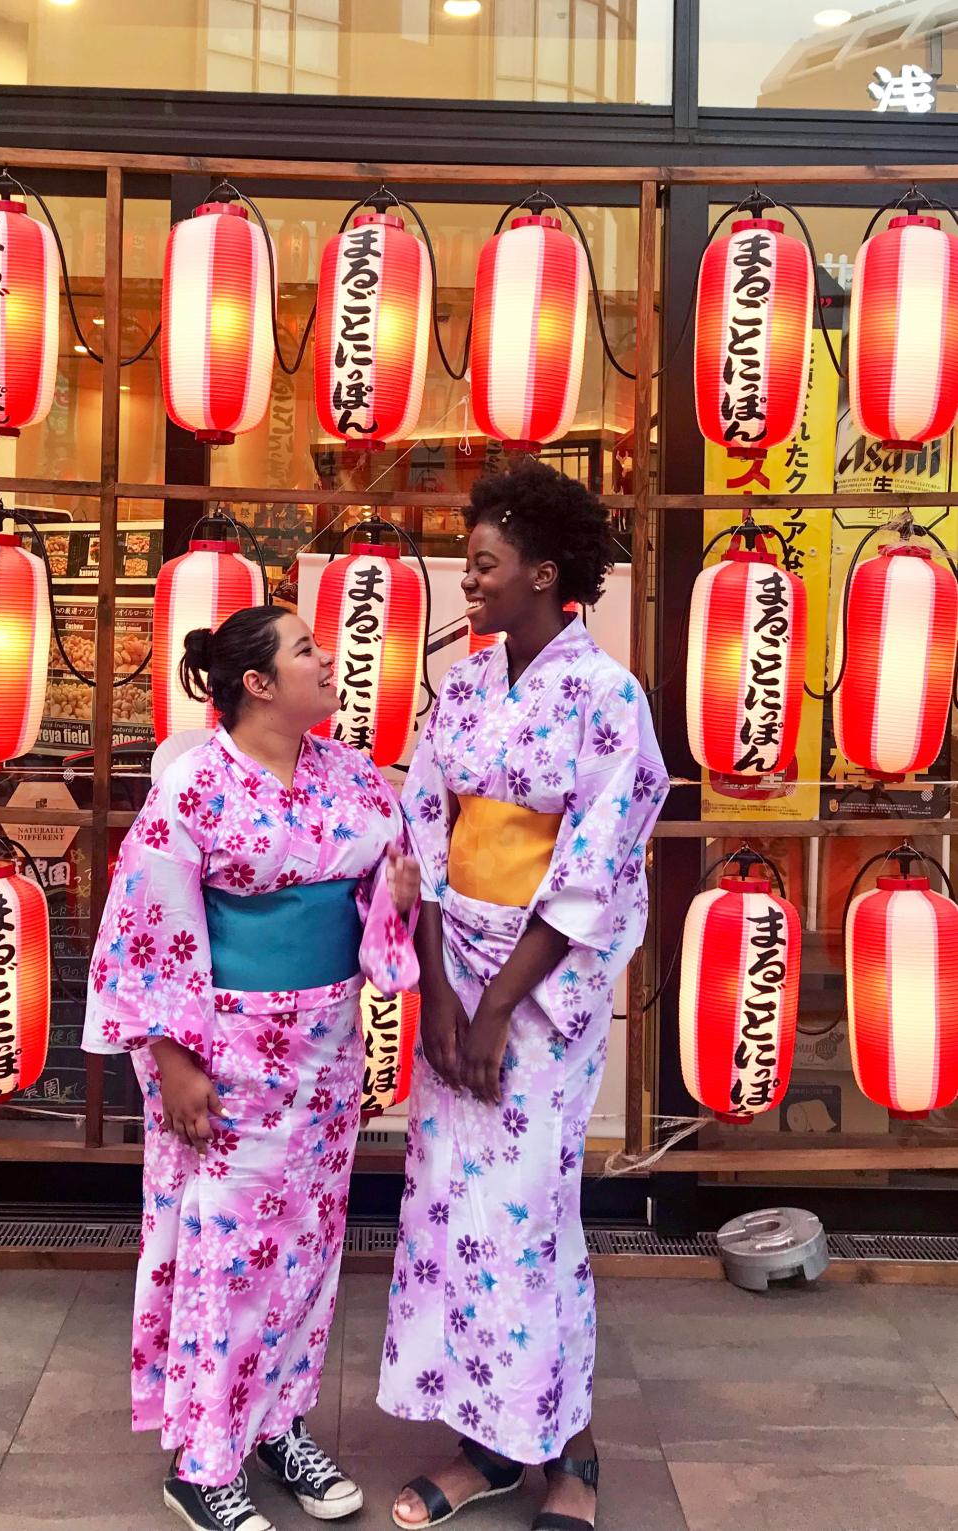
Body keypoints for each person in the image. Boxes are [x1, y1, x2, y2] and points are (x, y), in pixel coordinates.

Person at [84, 604, 420, 1531]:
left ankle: (276, 1422)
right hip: (224, 1053)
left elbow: (379, 914)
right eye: (306, 649)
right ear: (259, 684)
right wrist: (171, 1056)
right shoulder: (194, 785)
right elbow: (146, 923)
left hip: (325, 1053)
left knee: (308, 1251)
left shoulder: (351, 775)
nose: (328, 658)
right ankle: (202, 1461)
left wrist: (393, 901)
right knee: (224, 1258)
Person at [378, 462, 668, 1531]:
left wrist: (497, 1004)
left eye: (483, 563)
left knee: (529, 1217)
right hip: (453, 964)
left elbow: (595, 866)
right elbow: (421, 831)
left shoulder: (607, 696)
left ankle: (570, 1449)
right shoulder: (464, 685)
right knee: (447, 1210)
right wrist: (438, 995)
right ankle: (487, 1445)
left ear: (544, 573)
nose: (468, 579)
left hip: (538, 991)